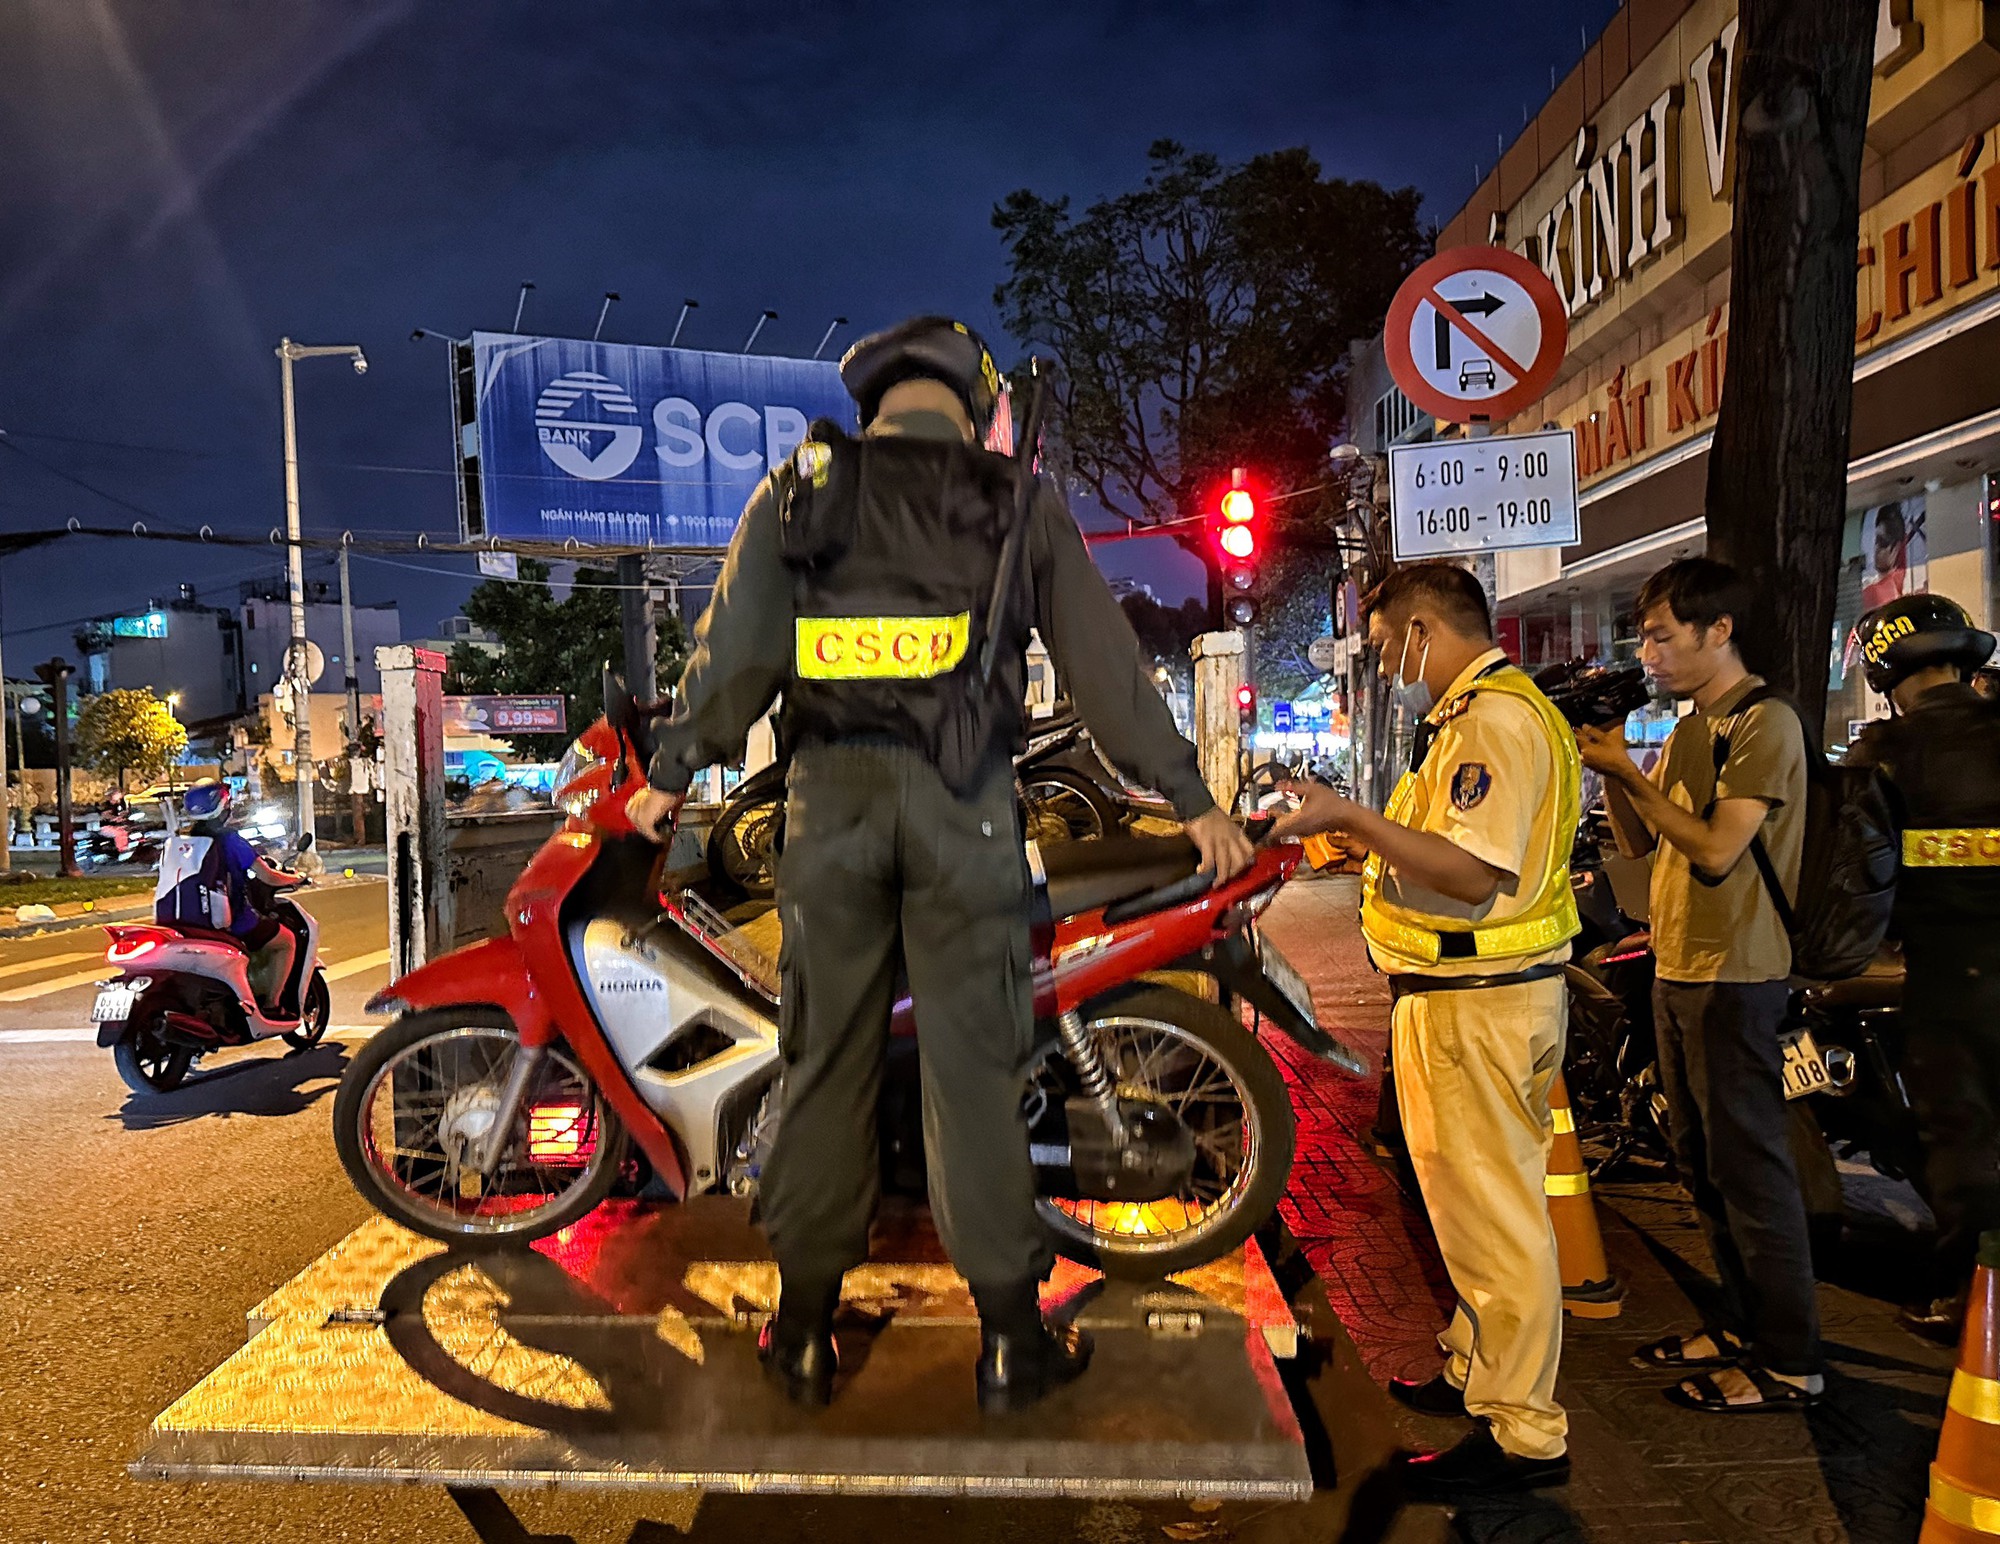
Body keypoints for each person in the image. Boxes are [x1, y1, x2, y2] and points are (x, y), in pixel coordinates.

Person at [625, 316, 1251, 1413]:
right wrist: (1190, 797)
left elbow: (732, 658)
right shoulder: (1015, 502)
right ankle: (1010, 1343)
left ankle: (806, 1333)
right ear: (971, 402)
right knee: (977, 1070)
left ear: (872, 403)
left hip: (828, 814)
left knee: (824, 1062)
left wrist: (671, 772)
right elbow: (1104, 669)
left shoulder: (800, 487)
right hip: (965, 815)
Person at [1271, 561, 1578, 1496]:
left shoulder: (1493, 721)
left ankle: (1524, 1432)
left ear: (1422, 631)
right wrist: (1354, 835)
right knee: (1462, 1209)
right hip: (1456, 1003)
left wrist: (1351, 814)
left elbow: (1470, 873)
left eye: (1385, 645)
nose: (1386, 664)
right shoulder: (1466, 720)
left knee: (1495, 1219)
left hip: (1481, 1006)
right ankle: (1475, 1366)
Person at [1576, 557, 1823, 1412]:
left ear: (1718, 631)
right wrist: (1612, 767)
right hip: (1677, 966)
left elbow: (1717, 848)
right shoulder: (1688, 729)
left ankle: (1790, 1360)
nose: (1648, 653)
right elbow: (1645, 848)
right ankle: (1735, 1325)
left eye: (1661, 636)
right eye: (1644, 636)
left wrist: (1634, 773)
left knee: (1750, 1172)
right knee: (1700, 1167)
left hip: (1739, 973)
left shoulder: (1765, 725)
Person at [1845, 595, 2000, 1342]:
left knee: (1962, 1136)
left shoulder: (1887, 752)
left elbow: (1856, 882)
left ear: (1884, 669)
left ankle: (1962, 1295)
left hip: (1951, 977)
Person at [156, 780, 307, 1010]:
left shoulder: (184, 841)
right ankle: (273, 1004)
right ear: (222, 807)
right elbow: (268, 877)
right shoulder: (230, 840)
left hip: (186, 923)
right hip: (232, 923)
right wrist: (297, 878)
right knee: (287, 941)